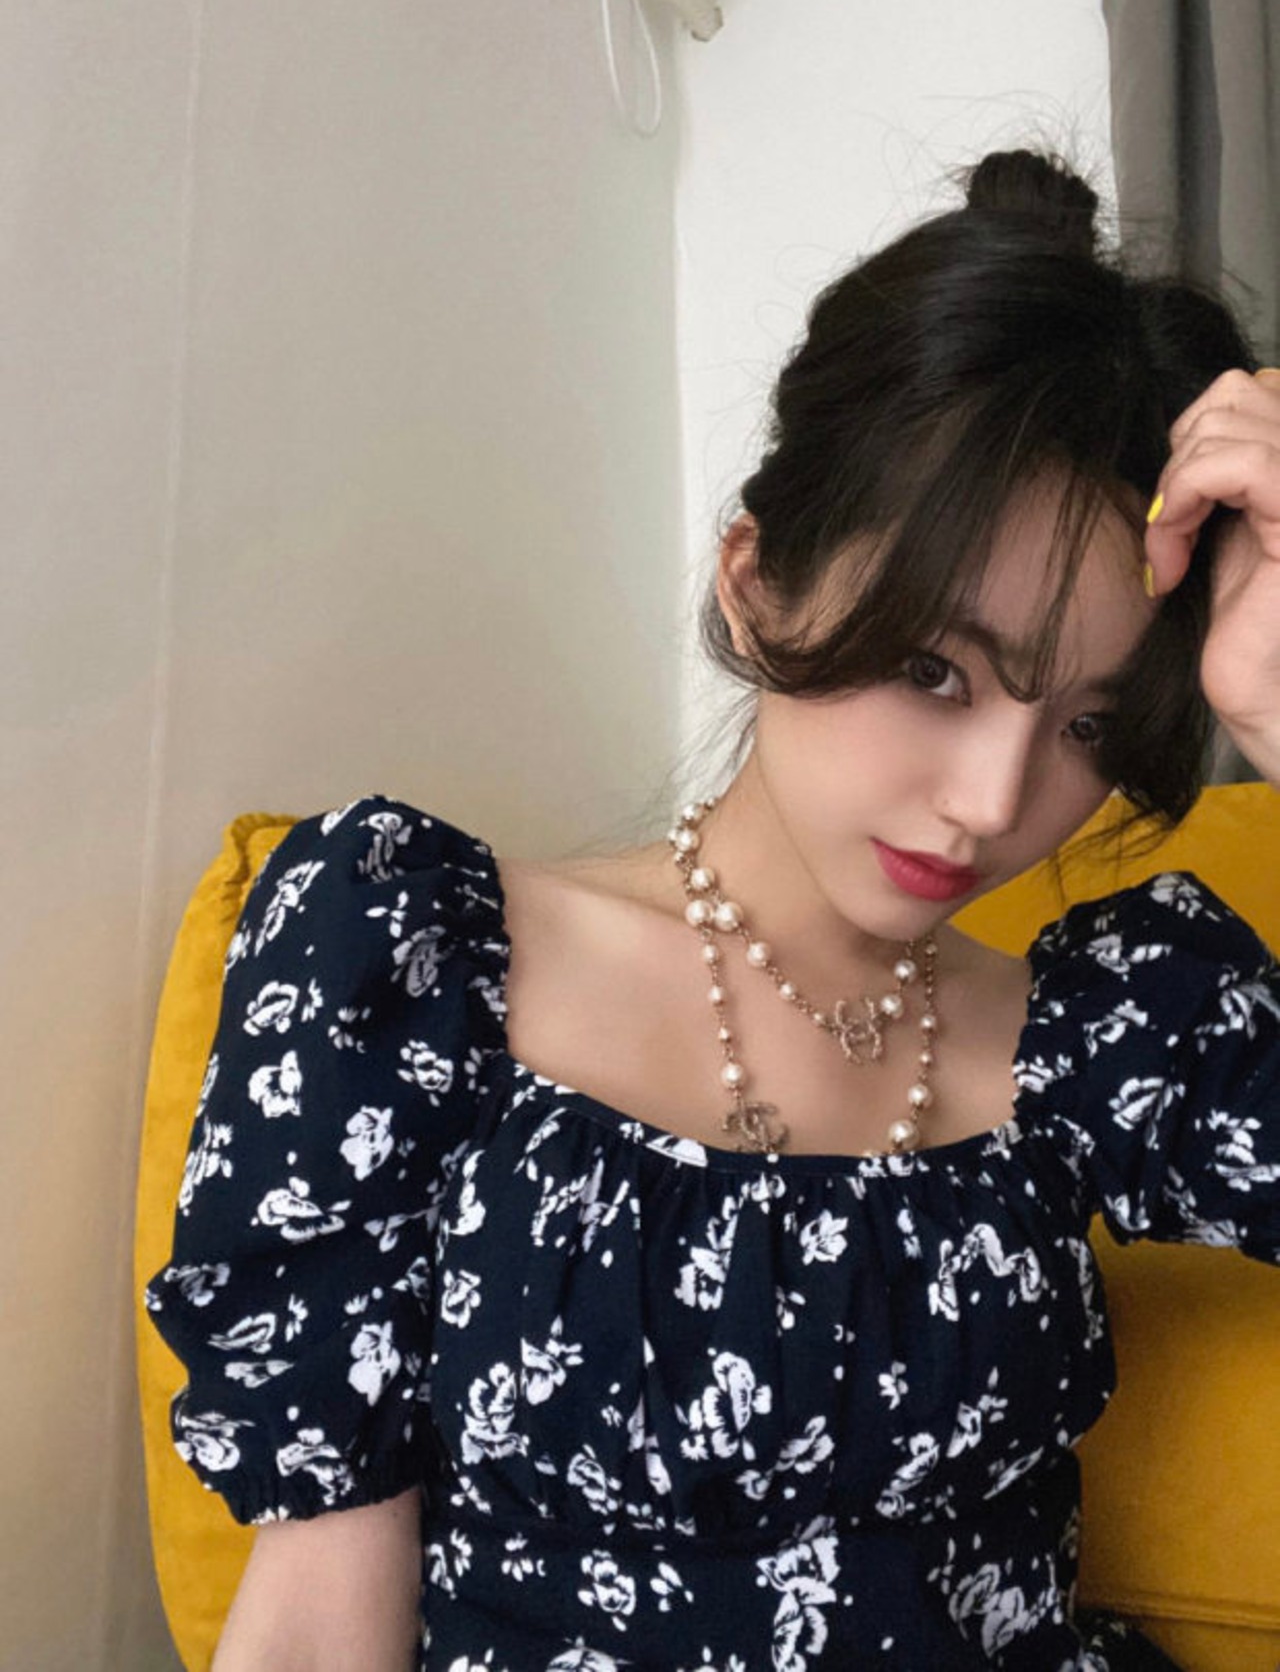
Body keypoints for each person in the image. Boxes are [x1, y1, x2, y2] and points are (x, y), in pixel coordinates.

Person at [146, 149, 1280, 1671]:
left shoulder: (1111, 1040)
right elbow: (312, 1616)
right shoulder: (404, 960)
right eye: (936, 671)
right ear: (756, 581)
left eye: (1084, 724)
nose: (993, 800)